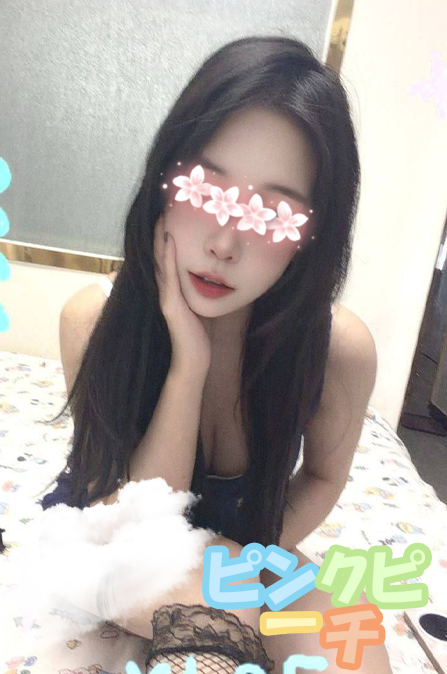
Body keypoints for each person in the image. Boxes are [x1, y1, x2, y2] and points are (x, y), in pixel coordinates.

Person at [38, 34, 392, 673]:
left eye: (273, 215)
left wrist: (246, 560)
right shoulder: (94, 321)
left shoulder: (335, 348)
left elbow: (322, 477)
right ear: (164, 184)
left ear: (311, 237)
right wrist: (188, 365)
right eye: (205, 190)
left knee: (354, 639)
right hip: (114, 540)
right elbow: (138, 530)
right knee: (218, 608)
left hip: (242, 549)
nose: (226, 243)